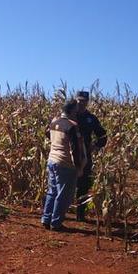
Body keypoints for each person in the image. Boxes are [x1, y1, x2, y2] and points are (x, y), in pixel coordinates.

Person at [41, 100, 86, 231]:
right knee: (63, 194)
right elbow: (75, 149)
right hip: (65, 164)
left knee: (52, 191)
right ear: (72, 111)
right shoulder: (71, 126)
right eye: (76, 110)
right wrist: (79, 167)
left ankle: (46, 219)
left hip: (52, 160)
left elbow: (47, 134)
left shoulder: (54, 122)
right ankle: (56, 223)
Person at [74, 91, 107, 221]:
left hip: (84, 157)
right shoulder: (69, 115)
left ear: (87, 102)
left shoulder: (91, 119)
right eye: (79, 100)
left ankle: (80, 214)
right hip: (68, 156)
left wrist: (95, 146)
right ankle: (59, 213)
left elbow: (103, 136)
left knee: (83, 185)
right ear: (76, 100)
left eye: (84, 101)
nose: (81, 103)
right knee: (66, 184)